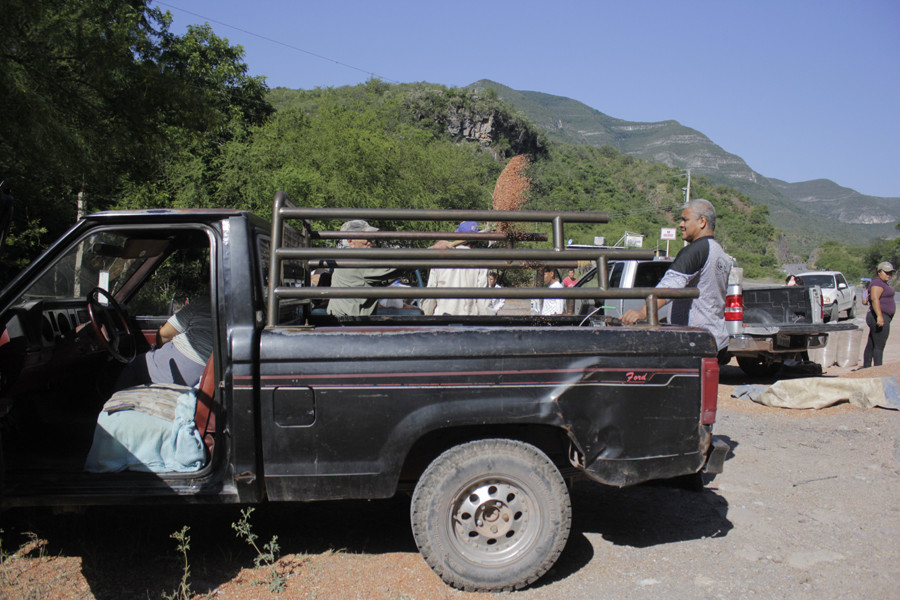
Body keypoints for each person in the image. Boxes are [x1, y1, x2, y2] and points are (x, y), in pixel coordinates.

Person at [622, 198, 732, 353]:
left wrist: (642, 312)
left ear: (702, 221)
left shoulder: (696, 250)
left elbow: (670, 286)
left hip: (695, 342)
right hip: (716, 338)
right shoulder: (721, 254)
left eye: (685, 220)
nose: (681, 225)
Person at [115, 298, 213, 389]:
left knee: (136, 365)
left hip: (183, 363)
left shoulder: (203, 303)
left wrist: (162, 353)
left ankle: (115, 405)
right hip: (208, 370)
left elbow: (164, 334)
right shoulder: (226, 308)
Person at [327, 220, 404, 317]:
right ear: (351, 241)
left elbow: (382, 279)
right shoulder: (357, 261)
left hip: (342, 322)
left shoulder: (344, 259)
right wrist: (425, 253)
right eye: (365, 236)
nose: (370, 240)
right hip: (351, 325)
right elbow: (393, 269)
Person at [421, 221, 492, 316]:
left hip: (442, 321)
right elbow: (483, 302)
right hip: (468, 322)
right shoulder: (480, 262)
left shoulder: (441, 259)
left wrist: (426, 315)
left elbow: (430, 295)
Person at [862, 261, 895, 368]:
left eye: (890, 273)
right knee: (879, 346)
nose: (889, 275)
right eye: (886, 272)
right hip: (879, 315)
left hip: (880, 315)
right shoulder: (877, 283)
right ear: (879, 272)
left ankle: (866, 368)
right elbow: (874, 298)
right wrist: (880, 316)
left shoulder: (881, 283)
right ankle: (878, 370)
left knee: (872, 343)